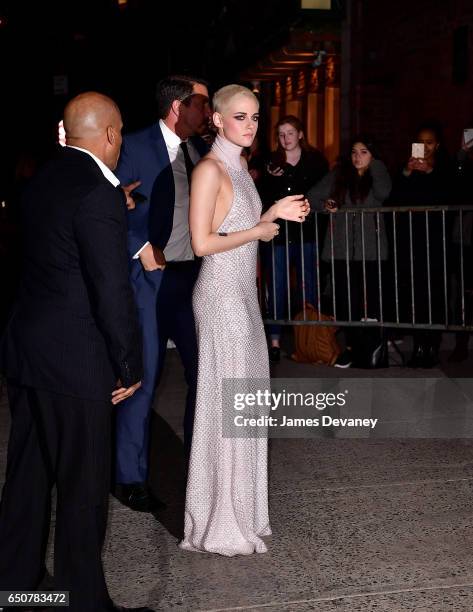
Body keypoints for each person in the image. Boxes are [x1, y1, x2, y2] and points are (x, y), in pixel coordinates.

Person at [0, 92, 152, 612]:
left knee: (28, 476)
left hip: (27, 348)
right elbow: (111, 288)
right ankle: (83, 604)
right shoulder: (97, 192)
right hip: (76, 357)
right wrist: (128, 362)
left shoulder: (41, 179)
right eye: (121, 136)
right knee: (83, 486)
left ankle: (17, 586)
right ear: (110, 135)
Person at [180, 84, 309, 556]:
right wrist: (258, 227)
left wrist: (274, 212)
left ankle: (245, 510)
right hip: (219, 296)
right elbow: (202, 243)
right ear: (216, 119)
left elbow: (245, 228)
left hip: (244, 296)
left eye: (255, 117)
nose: (250, 125)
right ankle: (220, 520)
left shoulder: (243, 170)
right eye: (240, 117)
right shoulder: (210, 170)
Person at [114, 75, 210, 512]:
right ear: (178, 107)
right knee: (145, 377)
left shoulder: (200, 152)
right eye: (202, 104)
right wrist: (140, 246)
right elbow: (107, 204)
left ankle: (201, 466)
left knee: (204, 375)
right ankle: (130, 476)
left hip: (193, 279)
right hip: (149, 280)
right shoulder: (133, 146)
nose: (207, 113)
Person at [308, 135, 392, 368]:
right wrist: (325, 205)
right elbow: (313, 196)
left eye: (364, 152)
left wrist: (374, 163)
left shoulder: (378, 173)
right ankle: (352, 348)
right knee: (346, 301)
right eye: (354, 152)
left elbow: (384, 192)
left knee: (371, 301)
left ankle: (371, 349)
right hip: (342, 249)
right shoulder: (339, 175)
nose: (358, 157)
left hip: (371, 249)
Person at [263, 115, 329, 361]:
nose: (285, 138)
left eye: (290, 133)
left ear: (300, 134)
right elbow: (262, 195)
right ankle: (275, 341)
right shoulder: (271, 161)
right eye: (281, 134)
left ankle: (309, 340)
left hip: (306, 231)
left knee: (308, 285)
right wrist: (269, 176)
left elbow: (324, 190)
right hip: (278, 233)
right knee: (277, 287)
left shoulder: (315, 161)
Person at [389, 122, 453, 367]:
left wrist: (429, 172)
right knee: (414, 293)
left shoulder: (444, 168)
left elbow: (448, 194)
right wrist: (407, 171)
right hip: (411, 240)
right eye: (421, 142)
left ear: (436, 145)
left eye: (429, 142)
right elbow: (395, 198)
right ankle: (418, 346)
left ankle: (431, 346)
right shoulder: (407, 168)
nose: (424, 147)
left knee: (434, 294)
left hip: (436, 242)